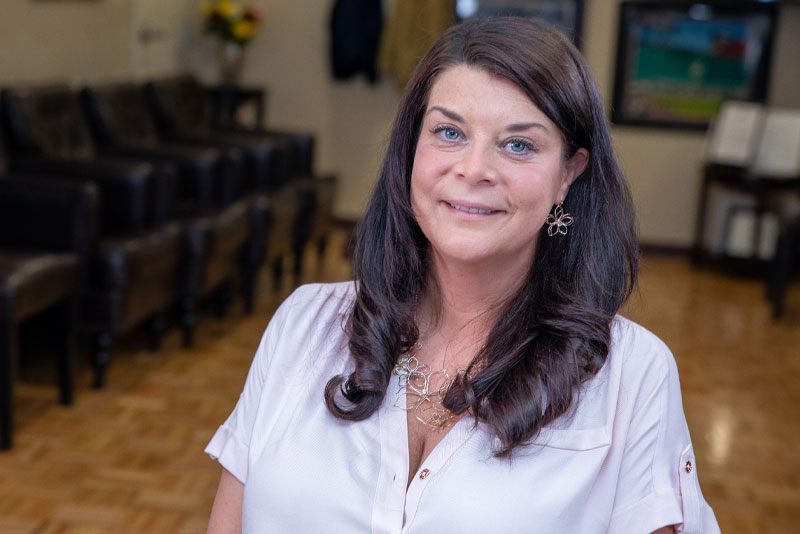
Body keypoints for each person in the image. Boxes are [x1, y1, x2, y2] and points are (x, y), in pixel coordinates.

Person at [205, 17, 720, 534]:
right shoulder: (303, 324)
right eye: (449, 132)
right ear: (411, 150)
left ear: (569, 173)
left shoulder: (633, 377)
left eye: (518, 145)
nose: (474, 170)